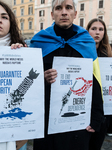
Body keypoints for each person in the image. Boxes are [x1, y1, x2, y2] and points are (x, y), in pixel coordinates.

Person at [30, 0, 104, 150]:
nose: (64, 12)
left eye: (68, 7)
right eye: (59, 8)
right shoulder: (39, 42)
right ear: (52, 14)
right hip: (46, 122)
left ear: (75, 13)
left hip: (77, 122)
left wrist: (96, 118)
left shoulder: (86, 42)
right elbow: (28, 82)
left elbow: (95, 79)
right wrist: (43, 79)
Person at [0, 1, 27, 150]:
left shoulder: (23, 53)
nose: (0, 20)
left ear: (11, 22)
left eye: (4, 17)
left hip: (14, 136)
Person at [86, 18, 112, 150]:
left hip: (104, 112)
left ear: (104, 33)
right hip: (85, 108)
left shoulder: (109, 54)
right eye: (93, 29)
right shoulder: (81, 52)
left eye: (101, 29)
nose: (97, 32)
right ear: (87, 31)